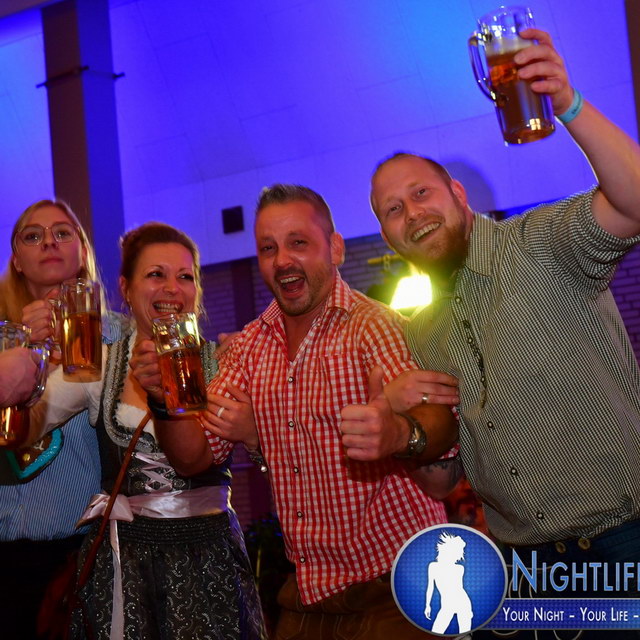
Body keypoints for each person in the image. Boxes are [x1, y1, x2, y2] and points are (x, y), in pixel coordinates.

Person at [370, 26, 640, 620]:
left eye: (422, 193)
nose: (412, 213)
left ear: (458, 194)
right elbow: (443, 483)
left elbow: (634, 201)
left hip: (624, 540)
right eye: (393, 210)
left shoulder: (542, 242)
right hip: (524, 566)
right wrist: (403, 427)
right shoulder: (422, 330)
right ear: (387, 236)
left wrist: (567, 103)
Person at [132, 185, 462, 640]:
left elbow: (441, 445)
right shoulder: (249, 347)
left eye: (298, 243)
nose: (282, 260)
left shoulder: (375, 327)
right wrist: (161, 395)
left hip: (396, 587)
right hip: (308, 594)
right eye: (268, 248)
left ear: (336, 248)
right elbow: (193, 458)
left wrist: (399, 432)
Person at [29, 222, 266, 639]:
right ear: (125, 287)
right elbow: (28, 424)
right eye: (156, 274)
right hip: (124, 563)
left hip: (208, 559)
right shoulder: (99, 365)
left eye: (185, 277)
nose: (172, 288)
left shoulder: (226, 362)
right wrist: (29, 354)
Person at [0, 200, 113, 640]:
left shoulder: (118, 337)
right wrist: (27, 348)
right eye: (33, 236)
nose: (49, 242)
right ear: (17, 260)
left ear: (82, 251)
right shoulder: (3, 341)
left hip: (82, 557)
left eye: (63, 233)